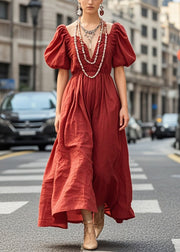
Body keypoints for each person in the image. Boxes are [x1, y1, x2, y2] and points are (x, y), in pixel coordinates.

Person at [38, 0, 136, 250]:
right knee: (79, 163)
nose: (90, 1)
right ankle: (88, 228)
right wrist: (59, 111)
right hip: (75, 101)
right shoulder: (66, 32)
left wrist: (125, 106)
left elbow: (119, 71)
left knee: (104, 166)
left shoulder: (114, 31)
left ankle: (100, 207)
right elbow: (62, 73)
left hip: (107, 100)